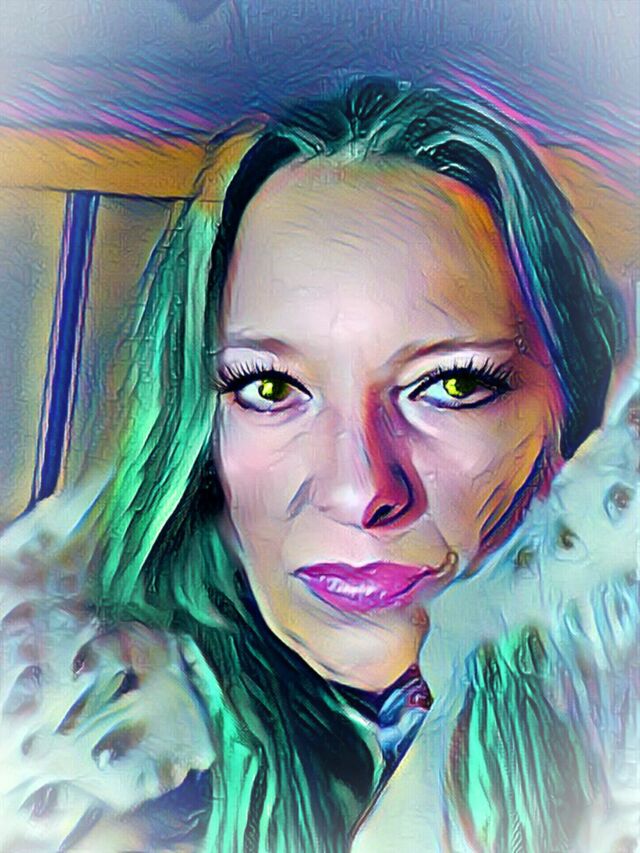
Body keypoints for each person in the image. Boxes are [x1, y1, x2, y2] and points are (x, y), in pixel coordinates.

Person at [0, 75, 636, 852]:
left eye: (451, 385)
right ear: (200, 433)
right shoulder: (92, 754)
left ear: (573, 400)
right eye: (271, 389)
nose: (360, 488)